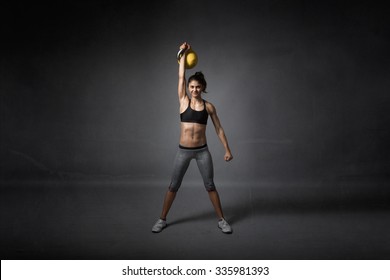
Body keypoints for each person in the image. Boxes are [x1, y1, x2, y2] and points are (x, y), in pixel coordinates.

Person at [152, 42, 233, 234]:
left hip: (202, 152)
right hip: (183, 152)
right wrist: (183, 53)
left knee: (210, 185)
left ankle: (222, 220)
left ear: (203, 88)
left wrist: (227, 149)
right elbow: (181, 76)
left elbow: (219, 129)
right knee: (173, 186)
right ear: (188, 88)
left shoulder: (209, 107)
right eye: (192, 86)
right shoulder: (183, 101)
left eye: (197, 87)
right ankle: (162, 219)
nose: (194, 89)